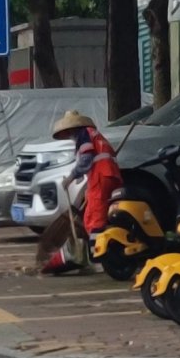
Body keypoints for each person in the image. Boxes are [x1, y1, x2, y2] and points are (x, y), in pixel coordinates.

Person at [42, 109, 122, 275]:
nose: (67, 136)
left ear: (71, 129)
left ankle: (98, 259)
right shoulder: (94, 135)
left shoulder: (84, 135)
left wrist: (71, 177)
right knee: (100, 215)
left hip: (101, 177)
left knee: (94, 219)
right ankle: (107, 251)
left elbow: (86, 160)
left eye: (66, 133)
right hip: (110, 176)